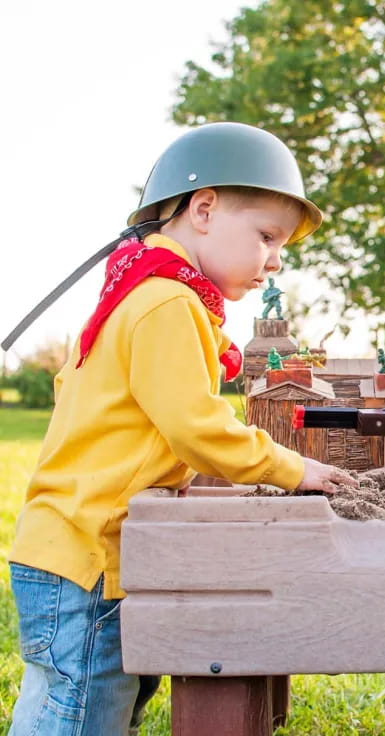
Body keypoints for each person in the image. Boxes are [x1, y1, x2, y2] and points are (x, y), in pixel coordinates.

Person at [7, 122, 357, 736]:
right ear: (203, 209)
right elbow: (196, 427)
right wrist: (292, 468)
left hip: (77, 545)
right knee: (78, 713)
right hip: (90, 558)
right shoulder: (167, 302)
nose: (274, 261)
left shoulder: (140, 290)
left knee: (91, 701)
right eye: (267, 237)